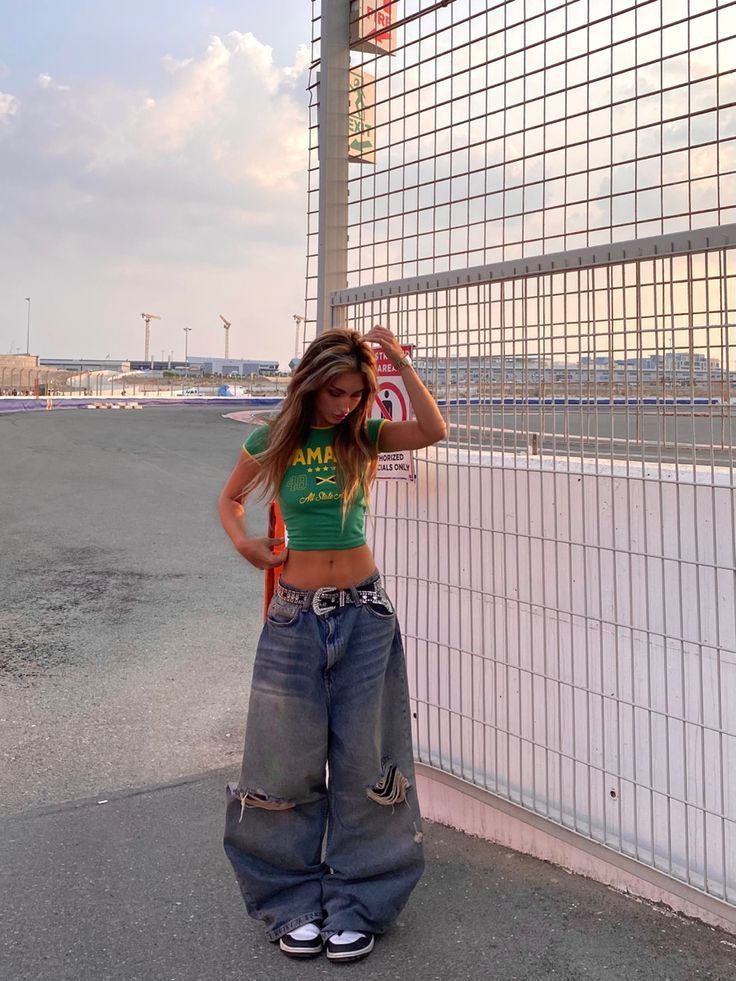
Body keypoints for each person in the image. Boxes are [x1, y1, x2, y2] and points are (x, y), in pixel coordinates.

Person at [218, 324, 447, 963]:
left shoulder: (363, 437)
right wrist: (245, 544)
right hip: (294, 616)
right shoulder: (275, 439)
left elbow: (433, 430)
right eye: (335, 392)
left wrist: (397, 361)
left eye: (355, 392)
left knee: (367, 763)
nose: (345, 403)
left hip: (364, 612)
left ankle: (361, 901)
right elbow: (230, 499)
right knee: (281, 760)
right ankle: (290, 901)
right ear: (311, 385)